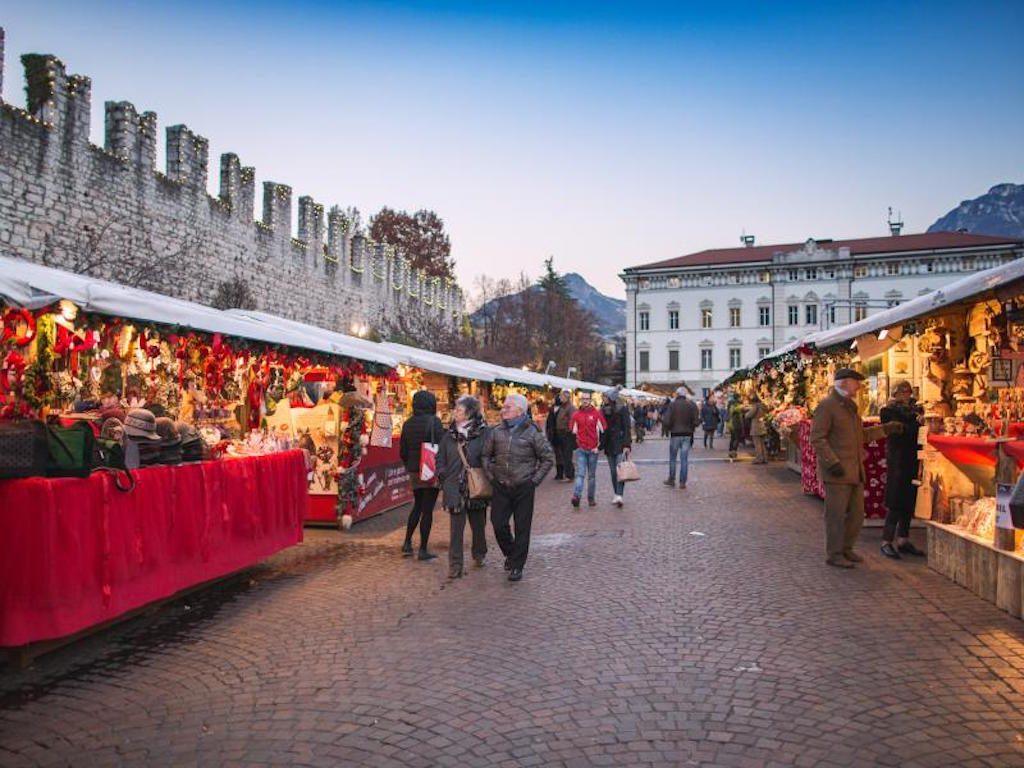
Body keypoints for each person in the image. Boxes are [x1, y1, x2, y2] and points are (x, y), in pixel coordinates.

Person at [810, 368, 904, 568]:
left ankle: (846, 548)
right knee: (835, 516)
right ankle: (834, 553)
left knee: (856, 514)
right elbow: (817, 438)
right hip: (837, 471)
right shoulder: (827, 406)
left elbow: (861, 436)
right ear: (843, 383)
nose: (860, 386)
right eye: (856, 382)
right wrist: (832, 462)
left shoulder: (850, 408)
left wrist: (886, 429)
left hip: (854, 470)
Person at [483, 393, 554, 582]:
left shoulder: (532, 432)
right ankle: (511, 553)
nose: (503, 410)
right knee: (498, 524)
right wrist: (491, 476)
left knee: (522, 527)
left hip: (524, 486)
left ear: (520, 411)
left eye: (508, 407)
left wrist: (534, 481)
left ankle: (517, 566)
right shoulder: (496, 431)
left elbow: (548, 458)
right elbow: (485, 456)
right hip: (501, 486)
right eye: (503, 407)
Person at [436, 395, 490, 579]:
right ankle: (455, 565)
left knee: (478, 526)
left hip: (476, 487)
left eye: (459, 410)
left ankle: (479, 553)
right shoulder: (448, 435)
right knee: (456, 530)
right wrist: (442, 474)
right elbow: (440, 457)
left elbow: (489, 456)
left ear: (469, 413)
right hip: (454, 487)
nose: (455, 413)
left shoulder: (484, 433)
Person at [879, 381, 925, 560]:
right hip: (898, 460)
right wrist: (915, 423)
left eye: (909, 391)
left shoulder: (916, 410)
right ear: (895, 393)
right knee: (895, 501)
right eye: (903, 391)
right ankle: (886, 541)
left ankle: (903, 539)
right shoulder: (888, 411)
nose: (907, 394)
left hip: (913, 459)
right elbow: (899, 431)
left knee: (908, 501)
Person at [399, 390, 445, 560]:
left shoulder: (408, 423)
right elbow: (442, 447)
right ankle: (423, 549)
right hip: (430, 470)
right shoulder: (435, 422)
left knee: (417, 505)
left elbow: (402, 450)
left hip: (413, 470)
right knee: (427, 510)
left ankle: (407, 543)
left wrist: (409, 464)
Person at [569, 392, 607, 508]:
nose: (585, 401)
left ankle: (591, 498)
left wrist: (598, 447)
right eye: (583, 399)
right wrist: (576, 445)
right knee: (580, 474)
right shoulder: (576, 415)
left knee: (591, 476)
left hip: (593, 450)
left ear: (590, 400)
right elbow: (572, 431)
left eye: (587, 399)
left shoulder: (597, 414)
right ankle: (577, 496)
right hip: (581, 449)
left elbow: (603, 431)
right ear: (580, 400)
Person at [601, 388, 632, 508]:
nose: (603, 399)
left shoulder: (622, 409)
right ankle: (616, 493)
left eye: (605, 397)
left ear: (611, 398)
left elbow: (627, 427)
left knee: (620, 471)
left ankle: (619, 494)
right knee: (613, 472)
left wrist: (627, 445)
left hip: (620, 444)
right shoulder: (603, 410)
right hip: (609, 444)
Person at [664, 387, 699, 488]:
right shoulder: (691, 405)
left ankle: (672, 479)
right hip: (687, 434)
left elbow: (666, 421)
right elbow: (696, 421)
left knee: (673, 458)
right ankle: (682, 482)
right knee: (684, 459)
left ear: (677, 394)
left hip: (675, 434)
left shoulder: (672, 405)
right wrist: (691, 427)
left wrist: (670, 427)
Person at [747, 396, 767, 464]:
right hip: (762, 425)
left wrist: (746, 413)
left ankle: (759, 458)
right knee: (762, 443)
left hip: (756, 426)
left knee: (757, 444)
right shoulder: (763, 406)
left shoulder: (756, 406)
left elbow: (749, 415)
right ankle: (765, 458)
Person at [727, 395, 744, 460]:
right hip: (735, 424)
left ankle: (731, 451)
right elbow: (733, 410)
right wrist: (740, 407)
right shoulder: (734, 404)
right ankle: (733, 452)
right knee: (736, 438)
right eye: (740, 397)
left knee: (733, 438)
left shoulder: (731, 403)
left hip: (732, 424)